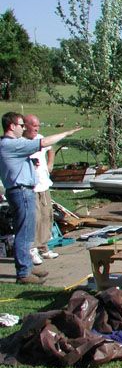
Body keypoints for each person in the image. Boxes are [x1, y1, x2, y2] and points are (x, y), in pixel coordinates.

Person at [0, 112, 82, 284]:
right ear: (11, 126)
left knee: (28, 231)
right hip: (21, 191)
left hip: (23, 190)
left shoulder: (11, 144)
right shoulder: (11, 144)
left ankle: (27, 266)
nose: (23, 128)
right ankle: (23, 273)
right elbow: (43, 143)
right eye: (21, 125)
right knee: (23, 232)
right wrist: (66, 134)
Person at [23, 114, 58, 264]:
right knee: (34, 219)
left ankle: (44, 246)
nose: (36, 128)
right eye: (33, 126)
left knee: (46, 216)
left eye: (38, 125)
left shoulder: (41, 139)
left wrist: (50, 164)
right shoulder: (20, 143)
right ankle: (32, 249)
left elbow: (51, 148)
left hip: (44, 183)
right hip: (30, 186)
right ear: (25, 126)